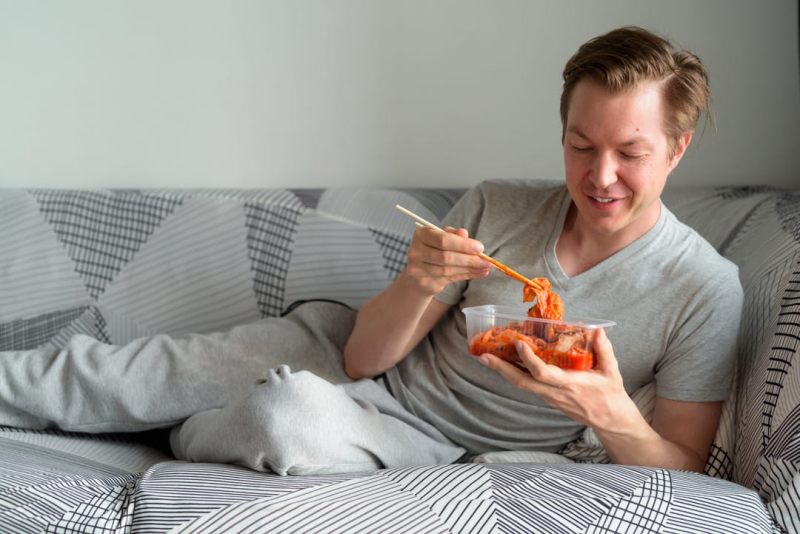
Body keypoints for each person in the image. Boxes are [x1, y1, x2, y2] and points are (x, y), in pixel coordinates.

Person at [0, 26, 742, 476]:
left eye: (629, 153)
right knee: (131, 370)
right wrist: (420, 282)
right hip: (342, 351)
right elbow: (363, 359)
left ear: (677, 150)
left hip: (419, 439)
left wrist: (610, 412)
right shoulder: (499, 204)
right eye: (580, 146)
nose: (599, 176)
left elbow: (685, 462)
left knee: (287, 421)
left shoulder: (705, 291)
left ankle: (183, 420)